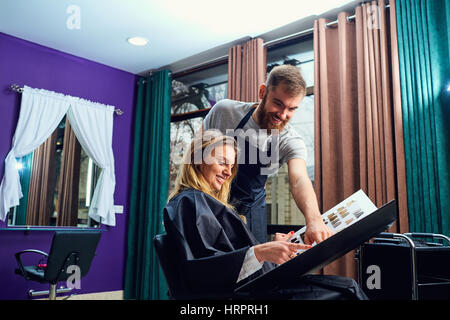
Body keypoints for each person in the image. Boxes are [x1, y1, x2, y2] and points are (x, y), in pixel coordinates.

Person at [163, 130, 367, 299]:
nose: (228, 172)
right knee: (346, 290)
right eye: (223, 162)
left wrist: (272, 249)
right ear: (199, 160)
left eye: (232, 166)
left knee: (346, 287)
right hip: (240, 296)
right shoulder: (189, 202)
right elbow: (204, 269)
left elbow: (230, 254)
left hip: (253, 288)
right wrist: (260, 253)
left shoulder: (205, 203)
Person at [203, 65, 332, 244]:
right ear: (262, 92)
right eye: (278, 103)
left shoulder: (290, 140)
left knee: (253, 268)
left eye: (292, 109)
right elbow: (197, 156)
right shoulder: (225, 112)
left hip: (249, 214)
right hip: (210, 204)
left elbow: (299, 179)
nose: (283, 115)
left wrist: (315, 220)